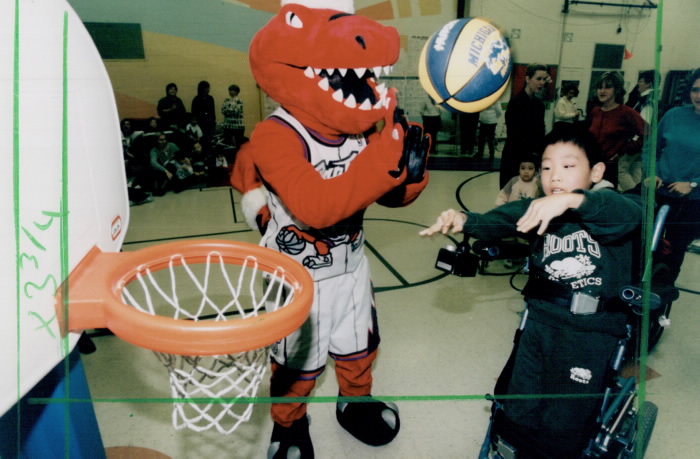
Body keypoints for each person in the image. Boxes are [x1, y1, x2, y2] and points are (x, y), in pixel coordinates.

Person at [420, 127, 643, 458]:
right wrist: (464, 219)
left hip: (589, 332)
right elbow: (500, 219)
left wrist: (573, 200)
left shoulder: (613, 205)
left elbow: (625, 214)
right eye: (547, 167)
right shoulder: (540, 208)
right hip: (539, 322)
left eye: (568, 166)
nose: (554, 176)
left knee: (561, 420)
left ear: (596, 171)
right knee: (519, 406)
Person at [647, 67, 700, 282]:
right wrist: (652, 173)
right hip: (659, 193)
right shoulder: (673, 116)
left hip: (691, 203)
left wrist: (694, 185)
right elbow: (651, 149)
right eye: (696, 90)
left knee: (673, 256)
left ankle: (658, 310)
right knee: (645, 249)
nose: (699, 96)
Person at [588, 71, 645, 191]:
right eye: (599, 87)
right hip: (592, 166)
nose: (602, 91)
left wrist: (626, 150)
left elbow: (648, 135)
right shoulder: (595, 111)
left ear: (617, 90)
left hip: (611, 168)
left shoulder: (627, 113)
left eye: (608, 87)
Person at [500, 63, 549, 188]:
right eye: (538, 79)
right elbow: (514, 134)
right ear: (528, 79)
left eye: (544, 79)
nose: (542, 83)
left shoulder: (539, 105)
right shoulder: (516, 103)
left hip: (531, 160)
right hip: (514, 158)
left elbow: (540, 133)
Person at [221, 84, 245, 149]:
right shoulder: (226, 100)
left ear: (236, 91)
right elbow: (223, 110)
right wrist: (231, 110)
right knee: (227, 144)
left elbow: (237, 111)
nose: (230, 92)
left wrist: (228, 110)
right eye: (229, 90)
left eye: (232, 90)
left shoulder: (240, 100)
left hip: (238, 126)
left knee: (238, 145)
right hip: (228, 125)